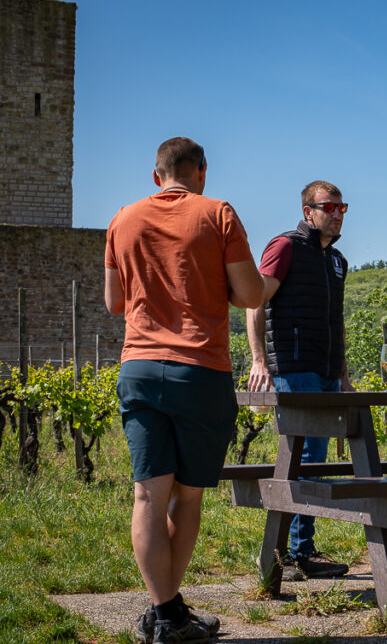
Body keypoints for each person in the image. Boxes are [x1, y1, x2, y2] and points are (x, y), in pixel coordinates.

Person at [105, 137, 264, 644]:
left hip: (140, 368)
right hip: (200, 369)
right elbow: (250, 294)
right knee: (187, 499)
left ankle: (166, 613)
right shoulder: (217, 213)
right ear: (201, 172)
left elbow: (114, 303)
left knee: (147, 495)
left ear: (157, 176)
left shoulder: (122, 219)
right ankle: (168, 614)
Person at [246, 180, 353, 581]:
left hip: (326, 373)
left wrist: (343, 376)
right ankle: (288, 556)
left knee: (314, 462)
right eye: (329, 207)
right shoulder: (285, 247)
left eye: (343, 207)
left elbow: (335, 322)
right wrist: (260, 362)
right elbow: (255, 300)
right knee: (302, 460)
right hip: (293, 369)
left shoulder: (337, 260)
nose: (338, 213)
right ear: (309, 211)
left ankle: (298, 552)